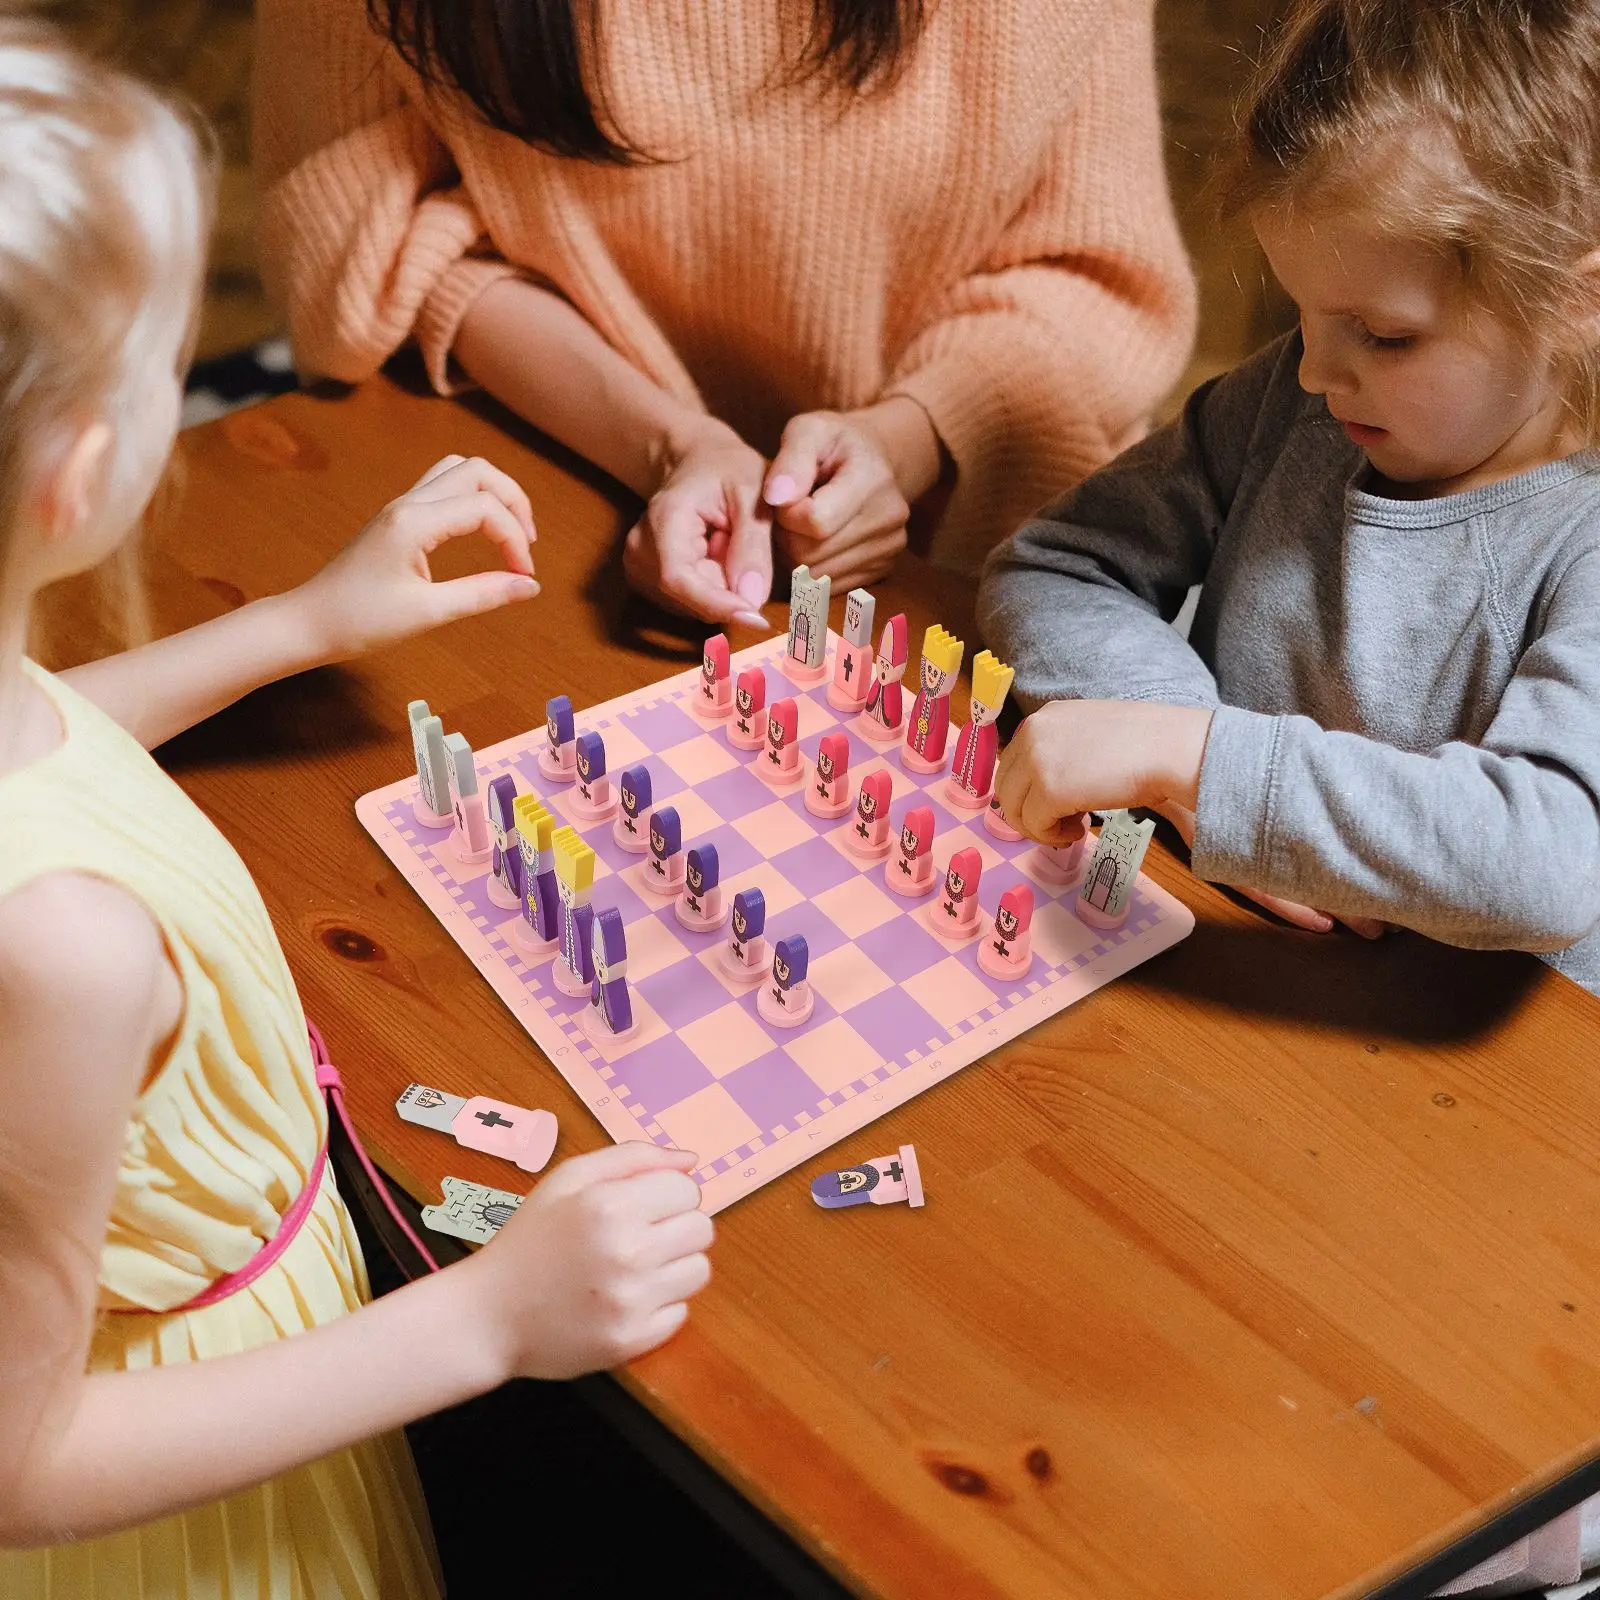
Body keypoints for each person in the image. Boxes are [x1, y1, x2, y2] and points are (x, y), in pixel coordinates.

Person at [0, 28, 712, 1597]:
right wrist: (485, 1323)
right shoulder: (61, 954)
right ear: (85, 476)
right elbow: (20, 1463)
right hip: (194, 1517)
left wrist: (301, 625)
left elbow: (50, 748)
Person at [979, 0, 1600, 1002]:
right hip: (1241, 986)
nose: (1313, 371)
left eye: (1383, 335)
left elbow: (1553, 858)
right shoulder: (1293, 398)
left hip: (1475, 1094)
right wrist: (1176, 749)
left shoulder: (1579, 541)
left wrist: (1197, 763)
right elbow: (1056, 562)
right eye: (1297, 310)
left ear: (1573, 305)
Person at [252, 0, 1196, 620]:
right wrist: (669, 445)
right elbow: (357, 251)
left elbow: (1100, 287)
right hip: (559, 481)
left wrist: (904, 442)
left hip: (971, 551)